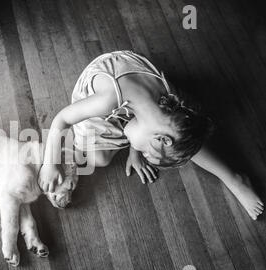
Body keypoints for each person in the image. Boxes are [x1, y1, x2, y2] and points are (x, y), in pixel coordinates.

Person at [38, 50, 263, 220]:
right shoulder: (108, 101)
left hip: (136, 103)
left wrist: (135, 152)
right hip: (104, 84)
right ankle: (67, 160)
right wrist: (50, 163)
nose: (143, 152)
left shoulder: (173, 107)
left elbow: (176, 137)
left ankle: (232, 177)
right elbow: (62, 119)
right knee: (99, 159)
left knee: (184, 136)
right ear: (159, 139)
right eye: (146, 151)